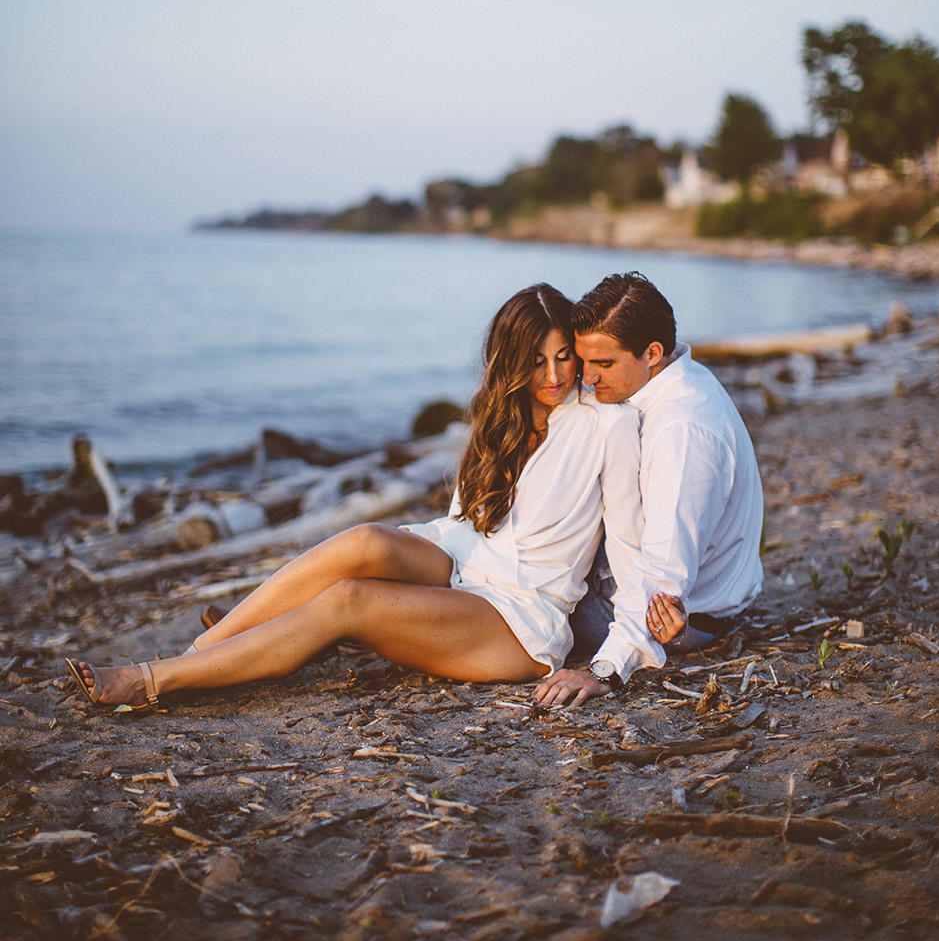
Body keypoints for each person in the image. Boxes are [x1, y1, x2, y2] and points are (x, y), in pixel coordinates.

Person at [65, 285, 637, 707]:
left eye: (565, 356)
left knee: (347, 601)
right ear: (510, 361)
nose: (555, 375)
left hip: (519, 619)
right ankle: (209, 648)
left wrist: (615, 661)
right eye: (537, 360)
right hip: (463, 562)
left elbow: (637, 544)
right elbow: (464, 522)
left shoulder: (603, 423)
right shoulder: (501, 418)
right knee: (362, 541)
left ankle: (152, 680)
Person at [531, 272, 763, 710]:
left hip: (685, 620)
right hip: (701, 597)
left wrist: (606, 669)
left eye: (604, 365)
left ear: (652, 353)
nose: (587, 378)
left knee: (523, 595)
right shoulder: (678, 379)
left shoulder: (682, 431)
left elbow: (662, 581)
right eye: (584, 362)